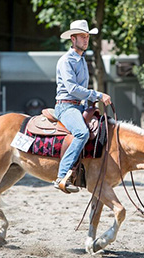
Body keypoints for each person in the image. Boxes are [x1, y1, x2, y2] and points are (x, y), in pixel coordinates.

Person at [53, 19, 112, 193]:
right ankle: (61, 176)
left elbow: (81, 90)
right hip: (66, 107)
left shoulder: (82, 60)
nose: (86, 40)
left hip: (79, 106)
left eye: (87, 36)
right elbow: (72, 88)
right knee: (82, 133)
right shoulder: (66, 61)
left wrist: (90, 104)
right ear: (73, 39)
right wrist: (98, 95)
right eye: (82, 37)